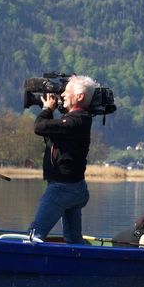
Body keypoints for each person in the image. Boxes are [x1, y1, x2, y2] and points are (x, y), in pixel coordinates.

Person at [28, 75, 97, 244]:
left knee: (34, 235)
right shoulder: (81, 119)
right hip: (76, 187)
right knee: (73, 239)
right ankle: (81, 263)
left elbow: (39, 127)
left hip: (62, 188)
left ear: (79, 97)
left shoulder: (76, 121)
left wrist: (47, 110)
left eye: (66, 92)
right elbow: (51, 135)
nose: (62, 95)